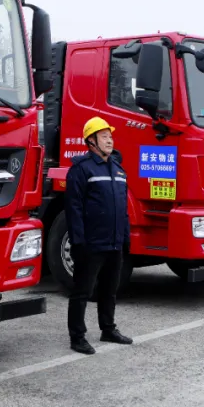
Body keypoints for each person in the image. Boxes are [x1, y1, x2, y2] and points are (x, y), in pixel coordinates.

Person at [65, 116, 133, 355]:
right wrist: (78, 242)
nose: (109, 140)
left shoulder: (118, 169)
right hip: (91, 244)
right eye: (104, 136)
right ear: (91, 141)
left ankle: (108, 329)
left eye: (110, 136)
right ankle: (77, 336)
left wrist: (125, 237)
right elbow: (73, 209)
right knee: (82, 290)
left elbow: (122, 207)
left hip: (114, 242)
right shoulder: (81, 169)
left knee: (109, 289)